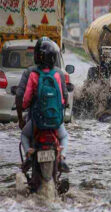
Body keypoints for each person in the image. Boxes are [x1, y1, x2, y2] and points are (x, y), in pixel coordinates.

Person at [17, 37, 70, 173]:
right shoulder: (58, 74)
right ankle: (62, 158)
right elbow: (63, 99)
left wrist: (23, 107)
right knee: (64, 136)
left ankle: (28, 155)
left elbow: (26, 98)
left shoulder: (33, 74)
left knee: (24, 135)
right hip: (55, 121)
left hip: (37, 121)